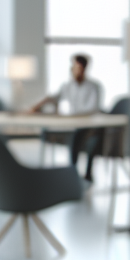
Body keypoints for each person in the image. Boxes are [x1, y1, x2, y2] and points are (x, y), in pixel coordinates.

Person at [31, 54, 104, 182]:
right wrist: (36, 107)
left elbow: (93, 109)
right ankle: (72, 172)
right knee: (72, 133)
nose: (76, 70)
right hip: (74, 124)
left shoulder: (94, 87)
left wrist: (72, 116)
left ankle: (81, 173)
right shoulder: (68, 85)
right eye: (74, 67)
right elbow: (53, 97)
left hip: (90, 124)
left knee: (83, 136)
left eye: (79, 67)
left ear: (85, 68)